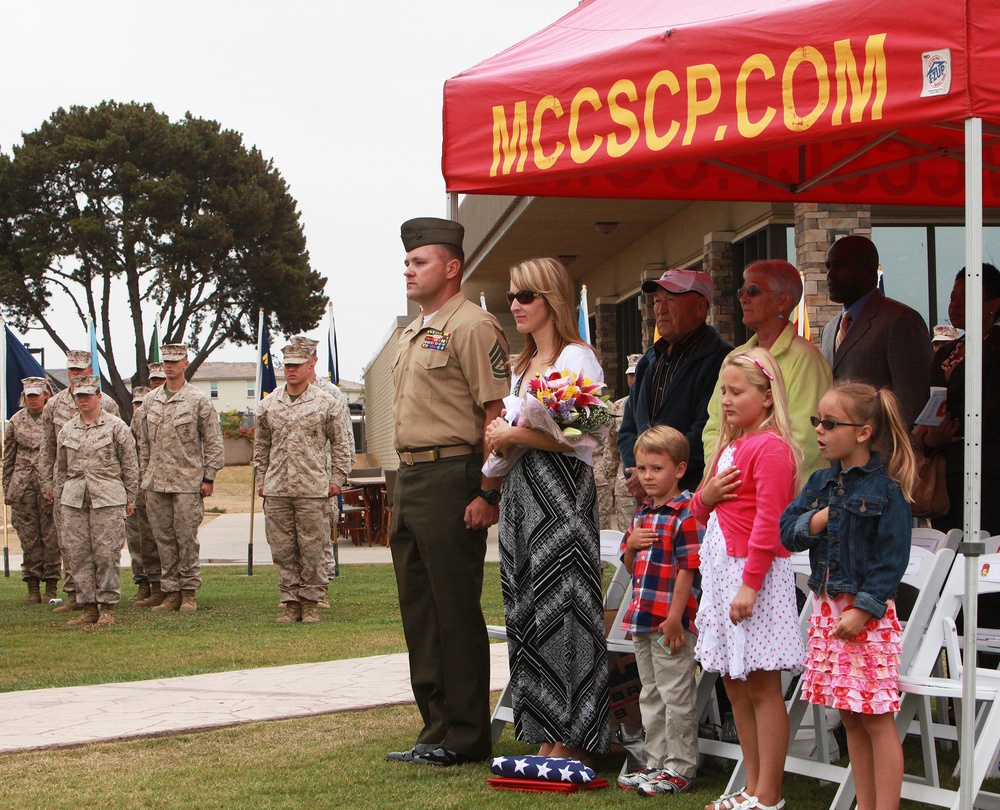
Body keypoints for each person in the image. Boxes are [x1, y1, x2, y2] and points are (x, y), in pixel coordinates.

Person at [386, 217, 509, 767]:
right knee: (420, 610)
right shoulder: (415, 329)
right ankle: (433, 728)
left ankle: (464, 734)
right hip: (411, 477)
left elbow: (495, 415)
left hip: (452, 475)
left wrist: (489, 490)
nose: (408, 270)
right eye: (407, 261)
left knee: (454, 611)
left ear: (452, 266)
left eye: (419, 261)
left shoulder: (473, 326)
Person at [485, 257, 610, 762]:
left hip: (561, 497)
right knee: (528, 611)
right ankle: (544, 731)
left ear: (551, 300)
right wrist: (499, 442)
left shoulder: (579, 359)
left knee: (567, 610)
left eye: (525, 296)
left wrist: (514, 432)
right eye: (511, 296)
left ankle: (575, 739)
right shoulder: (520, 367)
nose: (514, 305)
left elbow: (592, 430)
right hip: (520, 494)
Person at [780, 382, 916, 810]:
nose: (819, 429)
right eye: (817, 420)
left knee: (876, 718)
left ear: (863, 432)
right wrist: (820, 518)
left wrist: (863, 609)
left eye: (830, 423)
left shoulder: (886, 491)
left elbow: (890, 561)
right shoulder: (820, 482)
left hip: (865, 618)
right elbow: (788, 533)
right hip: (827, 615)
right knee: (851, 718)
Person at [691, 349, 805, 810]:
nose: (727, 400)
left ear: (768, 397)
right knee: (734, 683)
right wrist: (707, 494)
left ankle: (769, 794)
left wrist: (751, 585)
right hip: (722, 573)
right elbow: (700, 511)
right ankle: (752, 786)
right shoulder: (732, 445)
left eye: (737, 392)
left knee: (761, 683)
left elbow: (769, 523)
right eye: (724, 392)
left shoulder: (771, 448)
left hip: (750, 575)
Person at [615, 426, 701, 796]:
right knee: (649, 692)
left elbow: (689, 569)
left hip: (672, 622)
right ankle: (654, 763)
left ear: (679, 469)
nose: (647, 477)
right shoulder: (642, 515)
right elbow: (633, 567)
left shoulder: (685, 513)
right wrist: (631, 545)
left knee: (675, 694)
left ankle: (680, 767)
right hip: (643, 618)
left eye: (656, 469)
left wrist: (674, 619)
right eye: (642, 469)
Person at [704, 259, 831, 482]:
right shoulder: (734, 358)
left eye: (753, 291)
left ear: (783, 301)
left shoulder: (806, 359)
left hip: (790, 500)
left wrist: (752, 481)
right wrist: (723, 476)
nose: (743, 298)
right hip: (732, 494)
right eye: (741, 291)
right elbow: (715, 427)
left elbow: (806, 438)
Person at [254, 343, 353, 624]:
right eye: (287, 365)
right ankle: (289, 601)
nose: (292, 370)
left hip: (313, 489)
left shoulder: (326, 403)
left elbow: (342, 444)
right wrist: (262, 480)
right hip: (278, 491)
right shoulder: (268, 405)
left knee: (312, 548)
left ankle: (311, 601)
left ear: (309, 366)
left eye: (297, 365)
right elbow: (261, 447)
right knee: (282, 549)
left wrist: (337, 479)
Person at [618, 270, 732, 497]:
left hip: (694, 497)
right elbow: (628, 428)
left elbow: (708, 430)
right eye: (657, 301)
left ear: (700, 308)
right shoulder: (649, 360)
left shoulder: (722, 360)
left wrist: (657, 473)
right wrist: (642, 473)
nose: (661, 309)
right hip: (650, 499)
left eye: (671, 300)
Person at [139, 343, 225, 614]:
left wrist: (209, 476)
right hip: (156, 482)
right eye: (165, 361)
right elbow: (143, 444)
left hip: (187, 482)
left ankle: (188, 592)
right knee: (163, 539)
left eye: (175, 361)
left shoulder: (198, 400)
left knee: (186, 538)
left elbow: (213, 441)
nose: (169, 366)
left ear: (185, 363)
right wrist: (144, 476)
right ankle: (171, 592)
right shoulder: (150, 401)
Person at [916, 263, 1000, 535]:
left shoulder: (995, 348)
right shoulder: (946, 351)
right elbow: (928, 405)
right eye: (954, 297)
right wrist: (928, 438)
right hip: (946, 477)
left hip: (987, 476)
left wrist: (955, 430)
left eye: (966, 297)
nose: (955, 305)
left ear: (993, 304)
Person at [38, 349, 121, 613]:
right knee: (71, 543)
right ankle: (76, 595)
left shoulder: (106, 403)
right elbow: (48, 448)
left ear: (90, 371)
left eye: (80, 369)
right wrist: (48, 484)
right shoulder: (53, 405)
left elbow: (120, 449)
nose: (75, 374)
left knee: (103, 546)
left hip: (102, 487)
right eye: (71, 369)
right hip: (69, 487)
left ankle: (103, 599)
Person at [821, 235, 932, 427]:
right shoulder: (830, 330)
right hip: (839, 452)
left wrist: (899, 452)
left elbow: (913, 402)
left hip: (885, 452)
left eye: (840, 265)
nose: (830, 274)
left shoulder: (899, 321)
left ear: (866, 270)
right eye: (828, 267)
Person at [54, 376, 139, 628]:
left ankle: (107, 609)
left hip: (108, 499)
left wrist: (130, 498)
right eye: (78, 396)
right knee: (78, 554)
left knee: (106, 555)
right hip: (74, 500)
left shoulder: (116, 427)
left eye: (87, 395)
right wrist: (61, 499)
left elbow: (130, 466)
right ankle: (88, 607)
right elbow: (60, 469)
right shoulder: (67, 429)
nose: (82, 400)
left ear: (99, 397)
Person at [287, 333, 356, 603]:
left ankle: (321, 588)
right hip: (291, 478)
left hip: (322, 478)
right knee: (291, 538)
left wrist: (339, 476)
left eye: (303, 358)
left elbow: (345, 439)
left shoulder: (331, 394)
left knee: (320, 535)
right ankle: (295, 591)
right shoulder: (286, 394)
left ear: (313, 360)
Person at [3, 377, 59, 604]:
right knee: (29, 539)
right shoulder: (16, 422)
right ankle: (33, 587)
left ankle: (52, 587)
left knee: (51, 537)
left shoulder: (54, 419)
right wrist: (7, 489)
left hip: (49, 486)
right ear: (24, 397)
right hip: (23, 486)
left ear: (46, 395)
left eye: (37, 395)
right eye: (29, 396)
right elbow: (8, 458)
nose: (33, 399)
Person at [125, 386, 163, 607]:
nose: (139, 407)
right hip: (138, 487)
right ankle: (144, 584)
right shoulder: (133, 424)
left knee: (162, 538)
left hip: (160, 484)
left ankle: (165, 586)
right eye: (136, 403)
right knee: (139, 540)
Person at [595, 353, 641, 532]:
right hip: (625, 484)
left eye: (638, 374)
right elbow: (612, 446)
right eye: (631, 375)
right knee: (627, 538)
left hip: (655, 482)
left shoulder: (657, 404)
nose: (634, 379)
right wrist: (611, 479)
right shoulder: (618, 407)